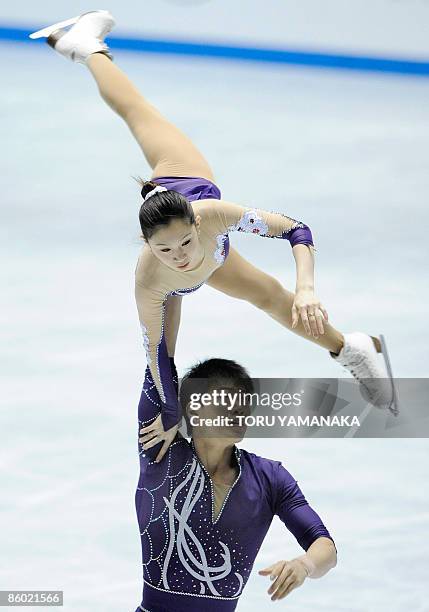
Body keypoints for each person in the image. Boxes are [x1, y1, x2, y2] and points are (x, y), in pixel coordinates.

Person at [30, 10, 398, 447]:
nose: (181, 254)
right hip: (178, 284)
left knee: (276, 299)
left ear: (196, 221)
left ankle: (355, 349)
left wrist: (307, 288)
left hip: (186, 179)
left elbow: (297, 231)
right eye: (167, 251)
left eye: (186, 241)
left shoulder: (212, 214)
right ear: (148, 247)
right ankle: (85, 49)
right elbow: (158, 358)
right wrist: (172, 416)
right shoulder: (151, 279)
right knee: (175, 343)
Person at [135, 355, 337, 611]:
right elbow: (158, 354)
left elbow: (325, 547)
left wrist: (303, 566)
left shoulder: (270, 478)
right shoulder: (162, 456)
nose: (240, 407)